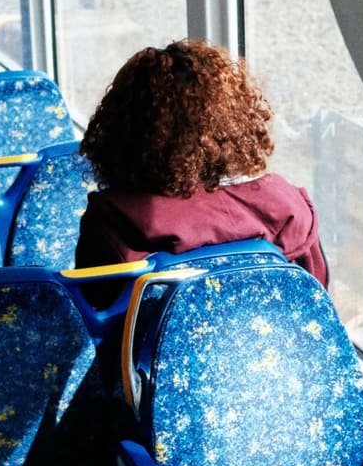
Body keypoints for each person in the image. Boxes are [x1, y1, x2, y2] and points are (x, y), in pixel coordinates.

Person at [74, 40, 328, 297]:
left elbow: (94, 308)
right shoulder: (288, 206)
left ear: (126, 130)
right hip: (276, 337)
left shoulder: (115, 219)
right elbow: (317, 296)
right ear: (238, 122)